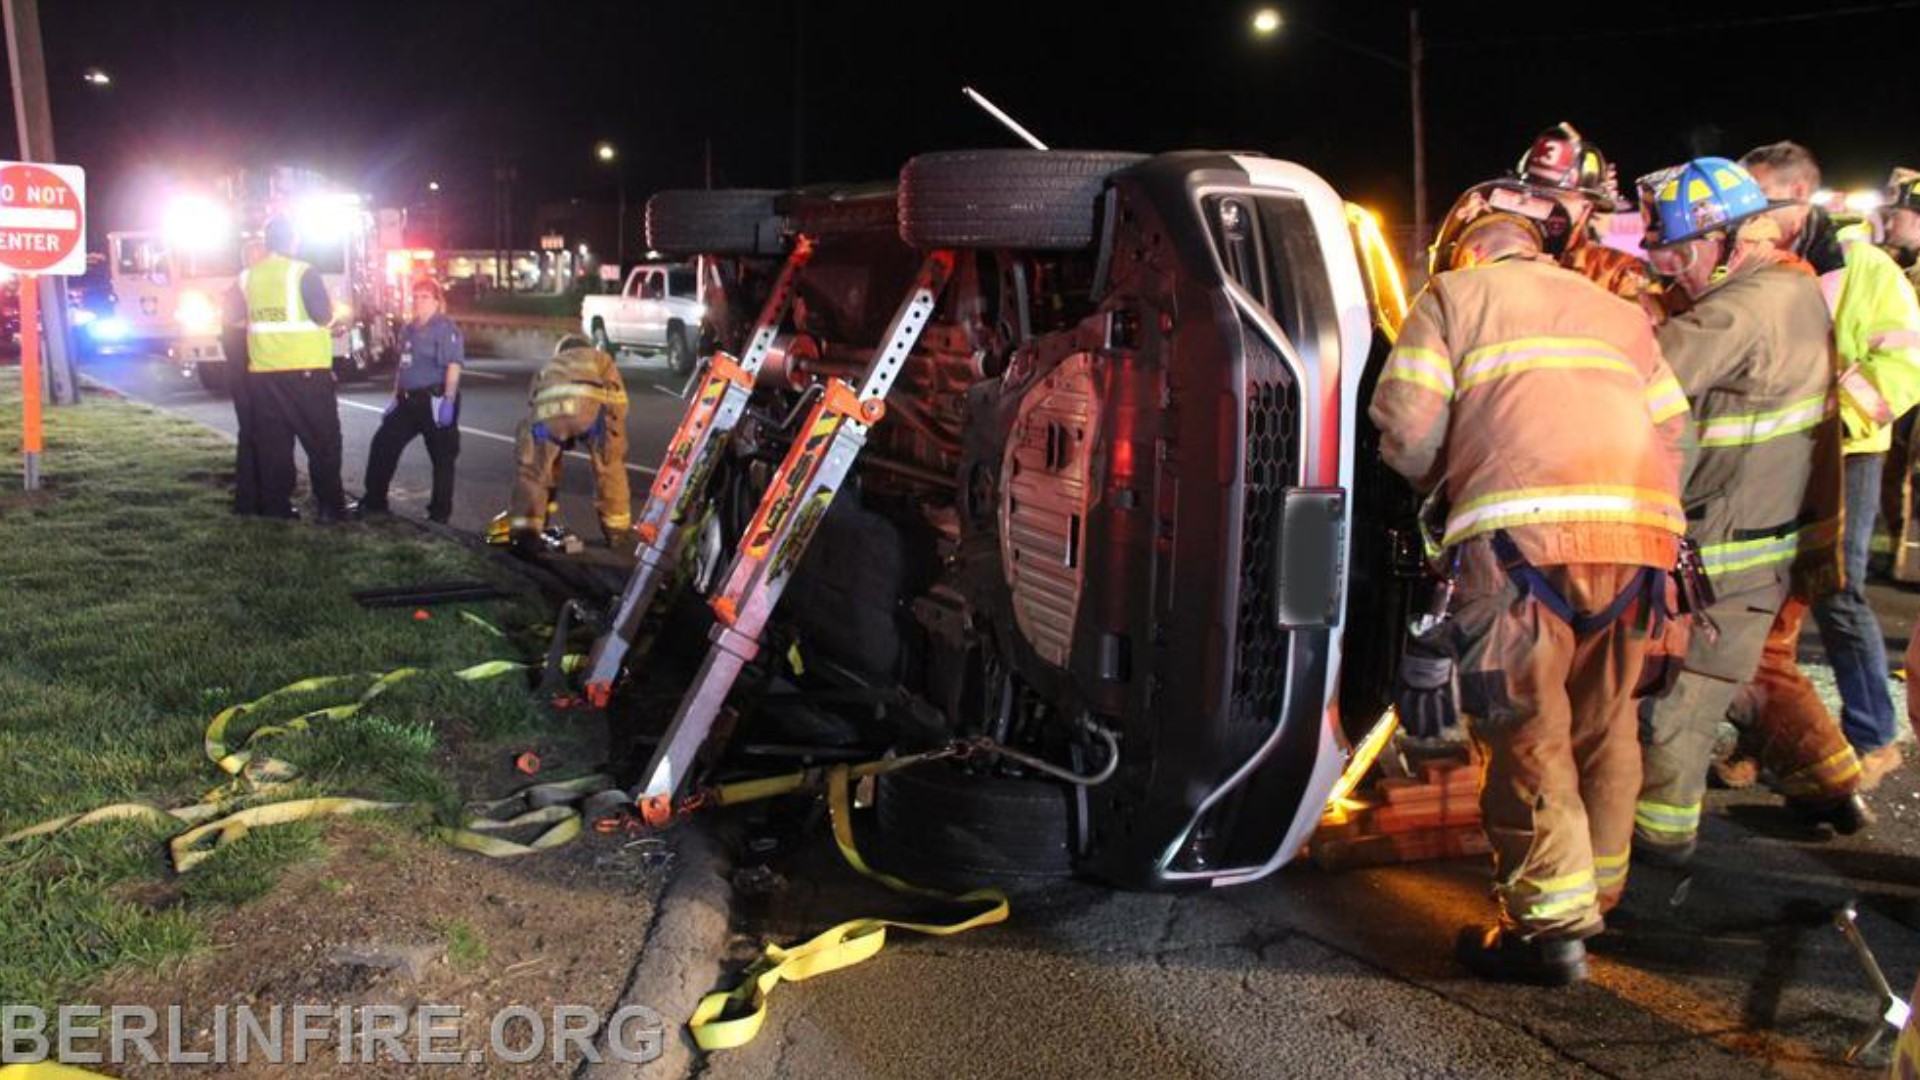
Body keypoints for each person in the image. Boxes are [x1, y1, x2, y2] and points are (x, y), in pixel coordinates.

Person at [1370, 201, 1687, 986]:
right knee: (1607, 721)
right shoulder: (1618, 310)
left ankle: (1549, 929)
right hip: (1643, 539)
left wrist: (1447, 494)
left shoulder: (1450, 298)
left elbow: (1405, 428)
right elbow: (1679, 432)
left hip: (1517, 542)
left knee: (1522, 725)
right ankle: (1599, 893)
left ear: (1460, 253)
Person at [1631, 158, 1864, 868]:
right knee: (1754, 679)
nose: (1672, 272)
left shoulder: (1740, 308)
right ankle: (1828, 787)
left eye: (1682, 253)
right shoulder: (1787, 287)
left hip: (1728, 557)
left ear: (1733, 239)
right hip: (1762, 544)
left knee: (1679, 708)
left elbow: (1635, 380)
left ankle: (1654, 849)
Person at [1739, 142, 1920, 790]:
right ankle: (1764, 735)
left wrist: (1837, 415)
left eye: (1759, 201)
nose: (1746, 214)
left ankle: (1873, 734)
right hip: (1774, 451)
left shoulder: (1868, 269)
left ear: (1796, 198)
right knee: (1763, 592)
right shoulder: (1764, 263)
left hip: (1846, 454)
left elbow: (1904, 363)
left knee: (1838, 593)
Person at [241, 215, 350, 523]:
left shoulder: (249, 276)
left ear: (267, 241)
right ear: (293, 240)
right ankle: (330, 508)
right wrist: (334, 323)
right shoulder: (303, 272)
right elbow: (321, 316)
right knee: (323, 442)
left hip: (263, 375)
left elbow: (237, 316)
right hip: (305, 374)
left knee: (274, 446)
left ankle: (277, 508)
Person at [507, 334, 631, 551]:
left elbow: (532, 401)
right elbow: (618, 398)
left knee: (533, 472)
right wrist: (613, 432)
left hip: (548, 416)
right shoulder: (600, 358)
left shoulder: (548, 365)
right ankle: (617, 533)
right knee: (609, 469)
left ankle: (526, 532)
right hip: (590, 412)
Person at [1509, 121, 1652, 301]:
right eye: (1534, 194)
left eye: (1558, 198)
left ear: (1587, 207)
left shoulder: (1618, 272)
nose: (1541, 207)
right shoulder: (1490, 248)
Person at [360, 278, 464, 523]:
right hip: (407, 402)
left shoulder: (445, 328)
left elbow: (453, 365)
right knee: (383, 445)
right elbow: (403, 366)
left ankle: (439, 515)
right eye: (416, 296)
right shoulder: (408, 329)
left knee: (442, 459)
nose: (418, 301)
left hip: (435, 399)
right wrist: (395, 397)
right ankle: (374, 501)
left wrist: (448, 399)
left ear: (438, 301)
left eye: (425, 297)